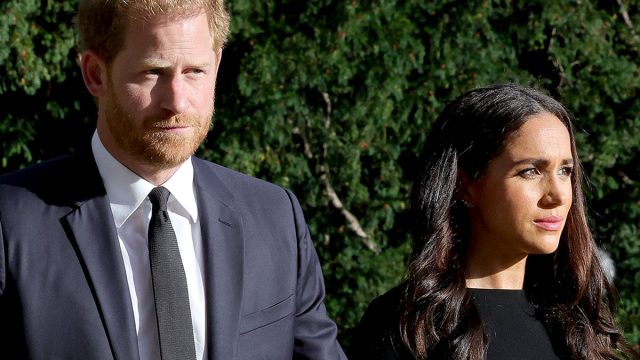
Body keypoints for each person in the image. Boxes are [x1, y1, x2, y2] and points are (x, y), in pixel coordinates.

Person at [0, 1, 346, 359]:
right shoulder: (10, 225)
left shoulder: (275, 219)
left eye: (195, 71)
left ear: (217, 65)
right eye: (153, 72)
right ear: (95, 74)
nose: (177, 101)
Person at [349, 84, 638, 359]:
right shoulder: (408, 326)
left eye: (565, 171)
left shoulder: (578, 323)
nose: (558, 195)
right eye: (530, 171)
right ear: (467, 185)